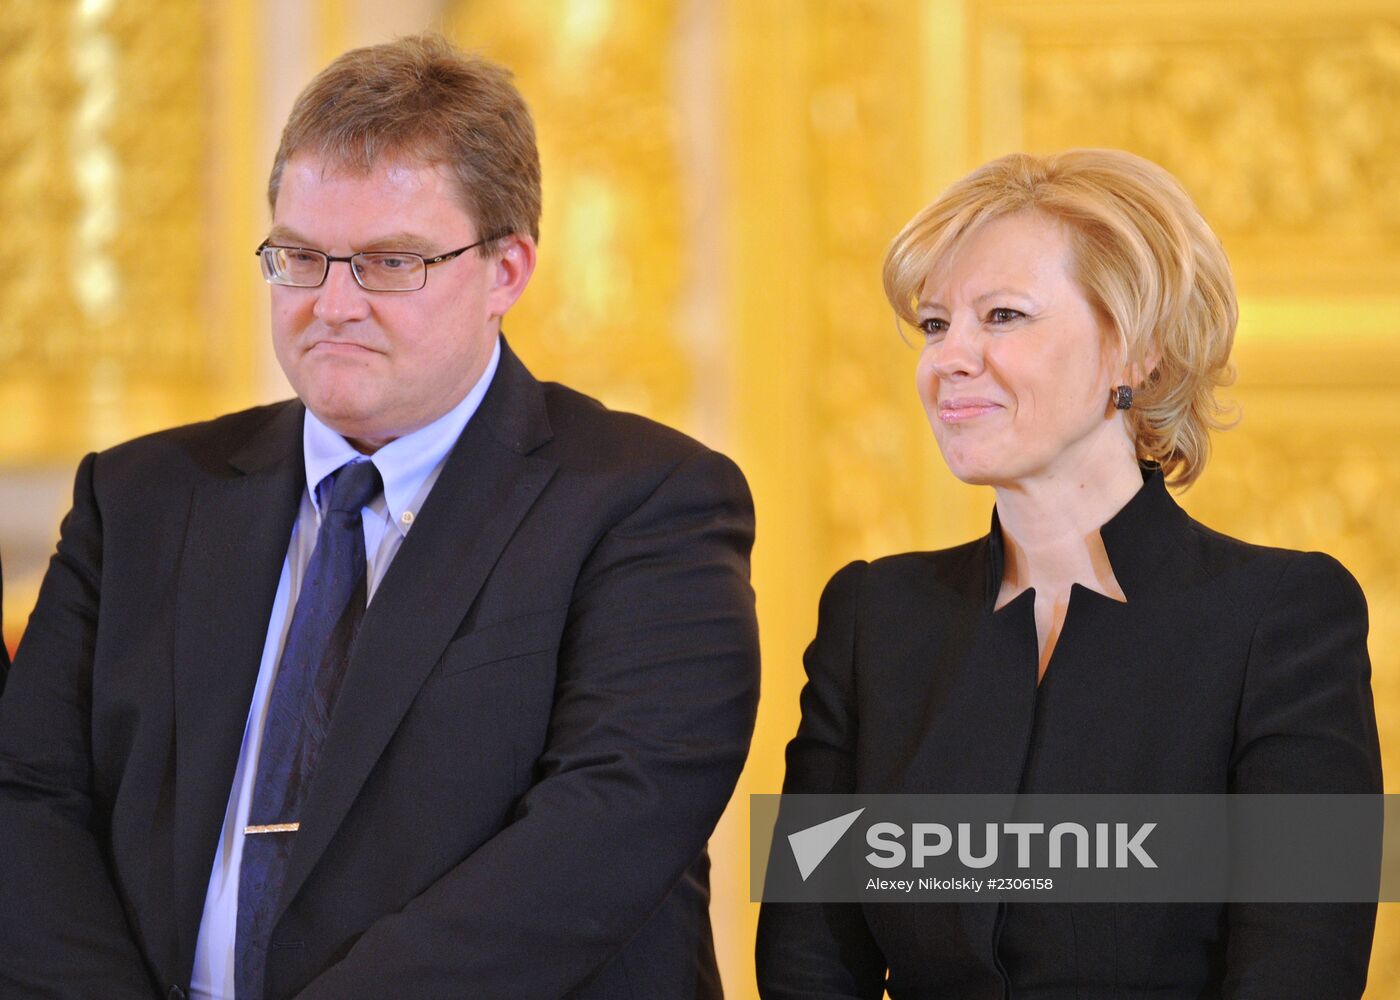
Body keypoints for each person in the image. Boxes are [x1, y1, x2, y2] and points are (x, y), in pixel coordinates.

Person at [0, 34, 759, 1000]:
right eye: (301, 258)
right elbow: (27, 800)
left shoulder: (649, 501)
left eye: (390, 263)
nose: (332, 305)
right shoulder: (139, 496)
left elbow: (606, 825)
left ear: (507, 270)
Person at [755, 149, 1381, 998]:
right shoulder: (873, 616)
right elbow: (809, 959)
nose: (950, 359)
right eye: (936, 325)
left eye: (1003, 315)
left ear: (1137, 352)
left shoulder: (1284, 618)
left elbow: (1298, 968)